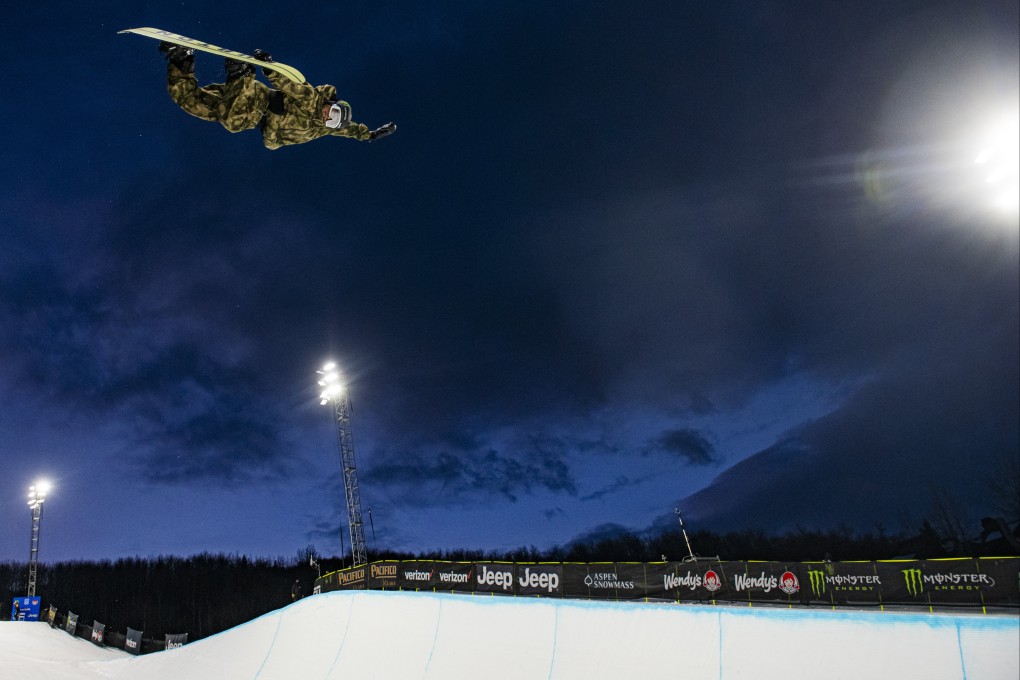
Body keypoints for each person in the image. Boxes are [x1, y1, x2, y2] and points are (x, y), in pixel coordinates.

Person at [159, 43, 396, 150]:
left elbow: (350, 130)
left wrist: (370, 135)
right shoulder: (311, 99)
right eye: (332, 112)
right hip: (254, 101)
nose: (327, 118)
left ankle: (181, 58)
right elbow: (290, 84)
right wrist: (269, 67)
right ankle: (240, 75)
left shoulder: (325, 128)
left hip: (248, 113)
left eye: (332, 120)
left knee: (189, 102)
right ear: (331, 104)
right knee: (232, 123)